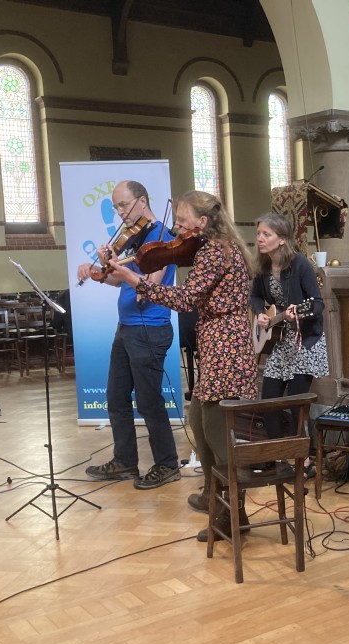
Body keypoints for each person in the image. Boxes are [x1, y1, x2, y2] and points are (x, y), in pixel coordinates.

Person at [106, 190, 258, 538]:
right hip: (220, 342)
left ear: (202, 222)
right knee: (198, 421)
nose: (176, 229)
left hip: (225, 346)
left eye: (181, 221)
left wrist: (134, 279)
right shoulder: (214, 248)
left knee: (216, 431)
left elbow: (186, 299)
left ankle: (233, 515)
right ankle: (212, 493)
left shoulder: (215, 251)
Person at [75, 180, 182, 490]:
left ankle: (167, 464)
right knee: (116, 397)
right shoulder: (135, 239)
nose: (120, 212)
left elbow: (149, 285)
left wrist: (114, 266)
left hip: (149, 329)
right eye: (116, 207)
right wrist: (98, 271)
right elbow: (119, 281)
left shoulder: (161, 238)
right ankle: (125, 461)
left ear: (142, 201)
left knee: (149, 402)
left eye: (124, 205)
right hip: (126, 328)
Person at [250, 212, 328, 476]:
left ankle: (304, 461)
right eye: (259, 233)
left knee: (296, 404)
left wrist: (299, 313)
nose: (260, 238)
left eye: (266, 234)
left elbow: (318, 303)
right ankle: (277, 455)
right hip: (282, 341)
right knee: (268, 401)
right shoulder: (263, 266)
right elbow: (255, 296)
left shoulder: (300, 264)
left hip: (305, 342)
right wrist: (260, 313)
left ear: (282, 239)